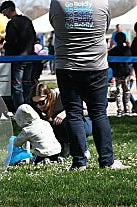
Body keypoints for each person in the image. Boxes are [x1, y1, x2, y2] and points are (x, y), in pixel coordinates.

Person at [49, 0, 129, 170]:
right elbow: (106, 25)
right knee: (99, 113)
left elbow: (53, 23)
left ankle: (79, 162)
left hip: (67, 66)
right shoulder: (101, 2)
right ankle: (106, 161)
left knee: (74, 114)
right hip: (96, 66)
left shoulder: (57, 2)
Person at [30, 83, 92, 159]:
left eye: (41, 102)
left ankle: (82, 149)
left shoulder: (62, 95)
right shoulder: (36, 107)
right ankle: (61, 148)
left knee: (69, 120)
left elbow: (86, 111)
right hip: (58, 126)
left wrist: (66, 112)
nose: (38, 106)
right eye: (35, 103)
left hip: (84, 122)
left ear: (49, 96)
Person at [1, 0, 36, 112]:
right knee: (28, 85)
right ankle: (30, 109)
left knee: (17, 87)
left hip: (17, 58)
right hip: (29, 58)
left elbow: (11, 42)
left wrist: (4, 46)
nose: (3, 15)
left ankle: (20, 111)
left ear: (9, 10)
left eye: (3, 12)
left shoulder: (12, 23)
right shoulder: (27, 21)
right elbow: (34, 37)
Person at [108, 32, 133, 116]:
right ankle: (127, 109)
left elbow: (110, 64)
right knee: (127, 92)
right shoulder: (128, 50)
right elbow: (131, 62)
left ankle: (120, 110)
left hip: (117, 74)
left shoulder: (112, 51)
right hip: (126, 73)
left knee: (118, 93)